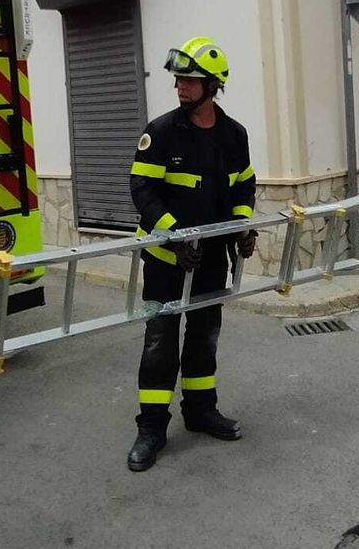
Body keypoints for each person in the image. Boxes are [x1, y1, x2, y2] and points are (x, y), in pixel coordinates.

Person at [125, 36, 257, 472]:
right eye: (179, 80)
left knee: (204, 340)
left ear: (213, 85)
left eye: (190, 81)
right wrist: (174, 237)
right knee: (160, 344)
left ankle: (200, 411)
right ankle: (152, 429)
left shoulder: (234, 136)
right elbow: (142, 189)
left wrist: (241, 227)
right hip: (167, 262)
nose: (181, 88)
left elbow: (242, 186)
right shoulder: (161, 132)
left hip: (210, 262)